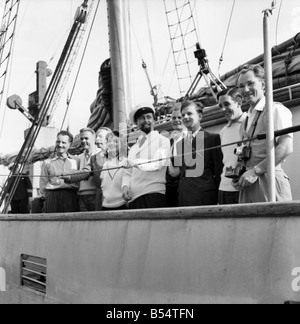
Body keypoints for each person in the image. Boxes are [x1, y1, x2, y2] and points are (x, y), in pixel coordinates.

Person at [234, 64, 293, 203]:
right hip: (247, 184)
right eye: (241, 86)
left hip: (269, 181)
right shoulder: (245, 121)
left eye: (250, 83)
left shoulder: (275, 109)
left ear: (263, 84)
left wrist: (255, 171)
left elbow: (286, 147)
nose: (246, 90)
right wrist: (239, 175)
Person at [169, 101, 223, 207]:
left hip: (206, 199)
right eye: (183, 115)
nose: (185, 117)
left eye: (189, 114)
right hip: (184, 199)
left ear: (200, 116)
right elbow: (177, 173)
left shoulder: (212, 139)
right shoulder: (180, 143)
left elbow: (219, 171)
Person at [122, 103, 171, 209]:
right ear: (136, 123)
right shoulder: (134, 148)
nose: (145, 120)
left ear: (153, 120)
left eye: (148, 117)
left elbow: (157, 164)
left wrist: (133, 163)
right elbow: (127, 173)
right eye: (141, 118)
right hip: (134, 199)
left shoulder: (163, 141)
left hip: (153, 195)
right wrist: (125, 187)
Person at [217, 88, 247, 205]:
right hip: (224, 189)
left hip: (243, 189)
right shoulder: (223, 131)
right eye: (220, 106)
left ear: (239, 101)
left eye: (227, 104)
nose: (223, 109)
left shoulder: (249, 124)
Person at [40, 131, 79, 213]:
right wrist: (45, 200)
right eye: (58, 142)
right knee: (52, 222)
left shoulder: (76, 161)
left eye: (64, 142)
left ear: (69, 144)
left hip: (71, 196)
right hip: (52, 196)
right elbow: (43, 183)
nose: (60, 145)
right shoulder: (47, 163)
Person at [101, 131, 128, 211]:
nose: (112, 143)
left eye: (116, 141)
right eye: (109, 141)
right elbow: (103, 186)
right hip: (105, 206)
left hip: (122, 205)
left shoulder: (126, 162)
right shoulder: (105, 164)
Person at [166, 106, 187, 207]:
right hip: (170, 186)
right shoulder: (167, 141)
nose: (176, 120)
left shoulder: (191, 138)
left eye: (179, 117)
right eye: (174, 118)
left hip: (184, 183)